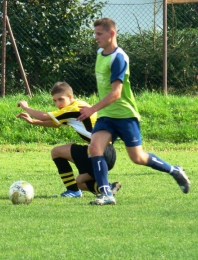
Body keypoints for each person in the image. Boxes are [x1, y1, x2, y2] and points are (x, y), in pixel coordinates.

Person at [77, 18, 191, 206]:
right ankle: (106, 194)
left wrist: (92, 109)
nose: (95, 37)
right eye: (95, 33)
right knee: (95, 148)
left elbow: (116, 93)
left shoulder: (118, 58)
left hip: (125, 115)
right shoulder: (100, 53)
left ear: (111, 34)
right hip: (107, 116)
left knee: (138, 158)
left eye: (99, 34)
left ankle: (175, 170)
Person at [16, 81, 120, 198]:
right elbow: (56, 123)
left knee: (56, 152)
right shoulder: (77, 104)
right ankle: (107, 188)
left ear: (70, 97)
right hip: (108, 153)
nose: (58, 103)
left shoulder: (72, 109)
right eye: (55, 101)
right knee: (80, 182)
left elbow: (43, 116)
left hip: (100, 152)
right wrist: (33, 121)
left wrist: (26, 107)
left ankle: (74, 191)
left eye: (60, 99)